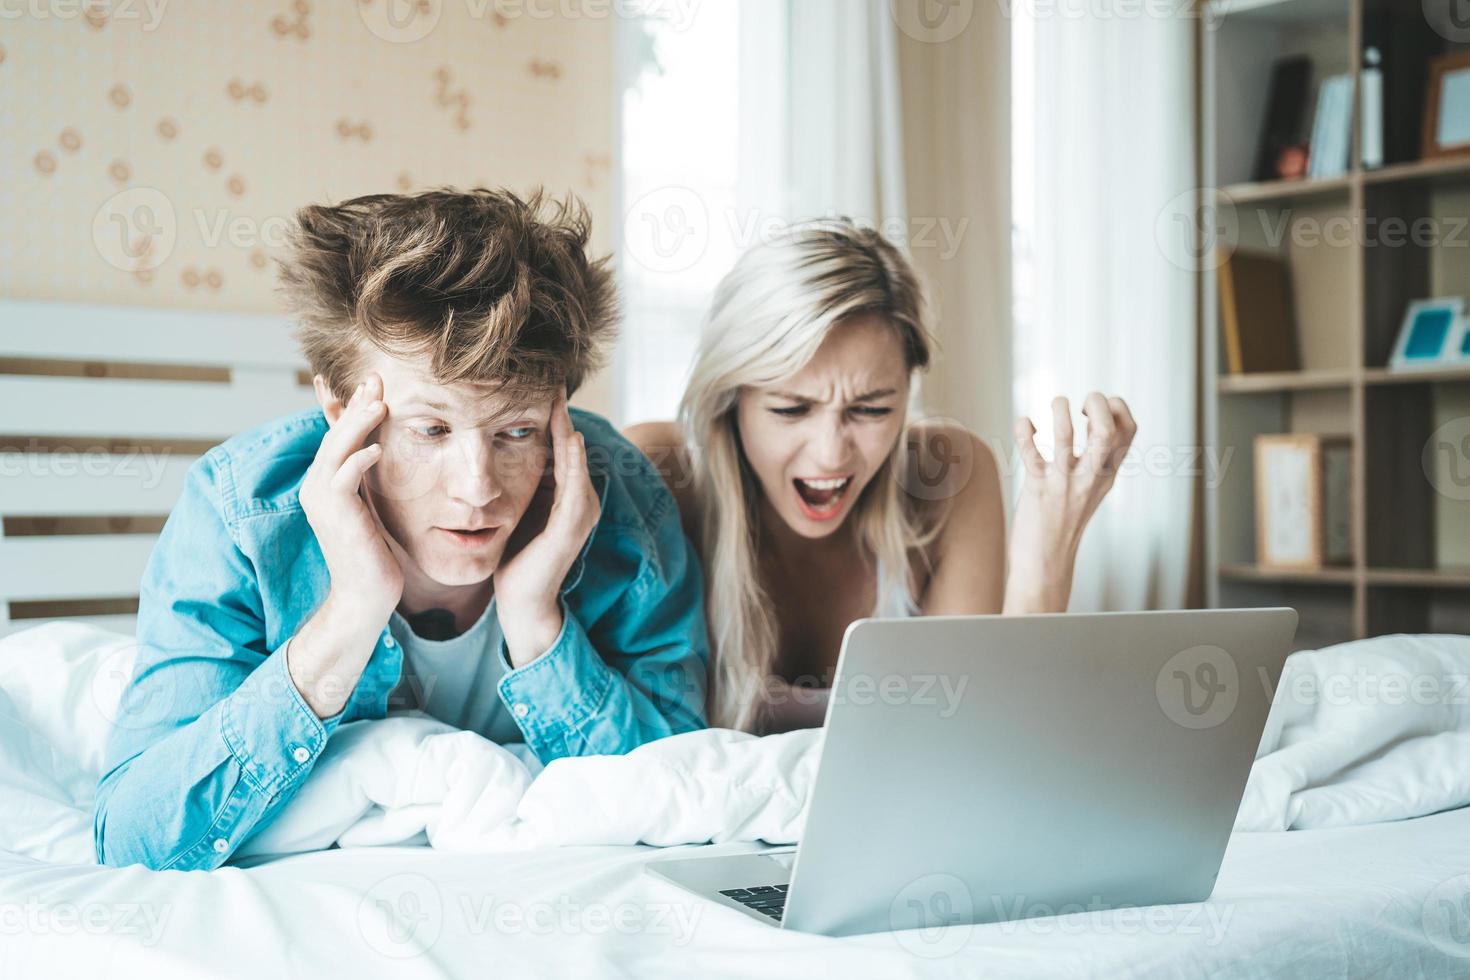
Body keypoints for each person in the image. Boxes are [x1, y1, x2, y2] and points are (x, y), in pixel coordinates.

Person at [94, 188, 710, 871]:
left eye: (516, 430)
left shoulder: (621, 501)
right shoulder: (239, 512)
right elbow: (133, 840)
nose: (477, 486)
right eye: (431, 429)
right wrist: (350, 614)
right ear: (340, 407)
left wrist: (538, 625)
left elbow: (685, 791)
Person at [625, 219, 1134, 733]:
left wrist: (1042, 562)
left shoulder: (949, 477)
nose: (830, 455)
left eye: (870, 409)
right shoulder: (656, 474)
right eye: (790, 409)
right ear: (730, 400)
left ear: (908, 392)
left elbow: (984, 743)